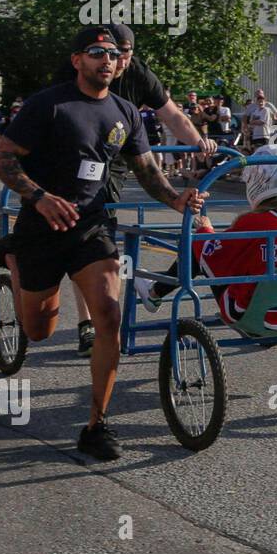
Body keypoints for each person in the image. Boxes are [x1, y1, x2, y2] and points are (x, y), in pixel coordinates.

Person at [0, 26, 207, 460]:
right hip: (41, 229)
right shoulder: (47, 105)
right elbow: (2, 159)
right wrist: (39, 197)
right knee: (38, 330)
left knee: (108, 316)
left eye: (112, 54)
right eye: (95, 52)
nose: (106, 60)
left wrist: (176, 200)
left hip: (92, 227)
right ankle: (12, 258)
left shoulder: (125, 110)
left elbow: (146, 172)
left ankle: (97, 425)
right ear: (77, 60)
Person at [52, 22, 216, 354]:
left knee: (100, 243)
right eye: (108, 53)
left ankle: (103, 317)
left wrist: (200, 142)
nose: (116, 61)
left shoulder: (139, 74)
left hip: (117, 160)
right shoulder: (82, 71)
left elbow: (172, 115)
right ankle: (86, 324)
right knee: (81, 242)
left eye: (124, 54)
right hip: (76, 159)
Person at [135, 145, 277, 324]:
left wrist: (204, 229)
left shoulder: (253, 221)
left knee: (197, 247)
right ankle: (155, 292)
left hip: (246, 312)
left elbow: (215, 254)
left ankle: (154, 293)